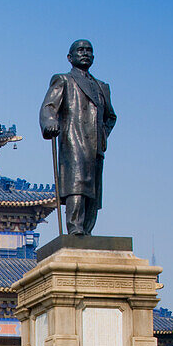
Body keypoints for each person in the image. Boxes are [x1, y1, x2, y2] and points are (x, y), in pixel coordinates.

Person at [40, 40, 116, 235]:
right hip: (74, 139)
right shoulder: (63, 80)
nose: (85, 54)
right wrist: (50, 122)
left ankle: (88, 230)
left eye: (89, 50)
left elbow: (111, 117)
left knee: (93, 191)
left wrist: (103, 135)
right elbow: (49, 106)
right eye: (80, 50)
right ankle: (75, 228)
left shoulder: (102, 87)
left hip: (96, 145)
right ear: (70, 57)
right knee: (77, 185)